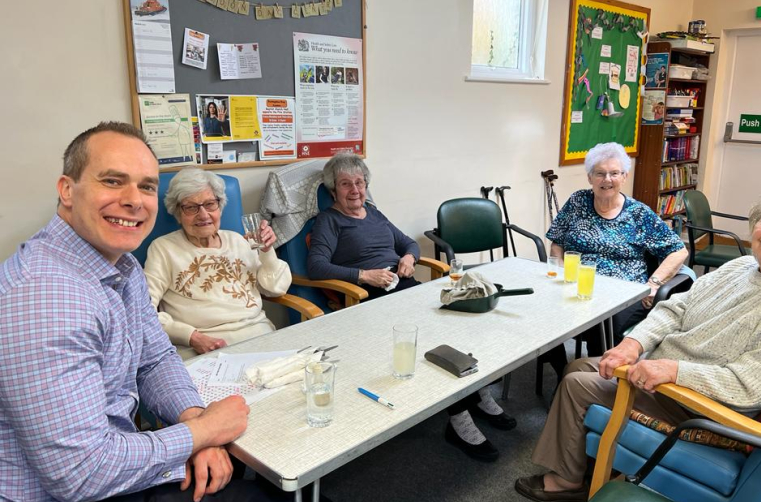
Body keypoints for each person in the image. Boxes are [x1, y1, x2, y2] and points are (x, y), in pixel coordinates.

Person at [0, 122, 270, 501]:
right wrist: (202, 433)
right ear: (66, 190)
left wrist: (195, 417)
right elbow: (82, 475)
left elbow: (155, 357)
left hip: (116, 462)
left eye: (146, 186)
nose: (134, 200)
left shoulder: (119, 264)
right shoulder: (47, 297)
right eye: (112, 181)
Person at [515, 187, 761, 502]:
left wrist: (674, 370)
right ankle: (587, 464)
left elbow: (753, 387)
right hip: (665, 371)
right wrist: (634, 343)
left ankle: (566, 482)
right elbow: (676, 308)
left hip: (700, 403)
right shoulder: (742, 267)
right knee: (579, 365)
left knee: (577, 384)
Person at [307, 152, 516, 462]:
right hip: (368, 297)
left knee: (456, 325)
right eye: (345, 184)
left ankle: (477, 393)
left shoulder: (375, 214)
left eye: (360, 183)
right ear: (333, 190)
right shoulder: (329, 221)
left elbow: (410, 244)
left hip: (404, 288)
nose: (355, 190)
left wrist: (407, 259)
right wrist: (364, 275)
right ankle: (458, 420)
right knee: (428, 342)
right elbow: (316, 266)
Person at [548, 142, 687, 351]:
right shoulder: (578, 201)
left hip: (622, 294)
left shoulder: (638, 214)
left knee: (598, 321)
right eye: (600, 173)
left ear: (624, 176)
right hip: (576, 286)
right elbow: (557, 241)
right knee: (543, 312)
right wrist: (559, 268)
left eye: (614, 173)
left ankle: (593, 375)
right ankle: (560, 369)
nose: (607, 180)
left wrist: (654, 283)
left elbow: (679, 250)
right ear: (589, 177)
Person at [144, 168, 292, 359]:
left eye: (210, 204)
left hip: (258, 336)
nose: (203, 215)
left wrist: (266, 251)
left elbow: (275, 289)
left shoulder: (238, 240)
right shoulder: (164, 249)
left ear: (220, 207)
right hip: (201, 347)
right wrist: (191, 337)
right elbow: (144, 310)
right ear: (177, 213)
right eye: (191, 207)